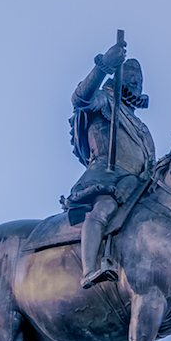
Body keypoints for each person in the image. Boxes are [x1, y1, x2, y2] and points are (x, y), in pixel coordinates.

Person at [65, 36, 158, 288]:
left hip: (135, 189)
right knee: (103, 210)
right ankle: (88, 270)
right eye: (130, 74)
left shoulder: (142, 128)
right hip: (107, 179)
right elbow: (80, 100)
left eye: (139, 77)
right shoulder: (104, 101)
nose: (136, 80)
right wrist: (103, 65)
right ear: (117, 77)